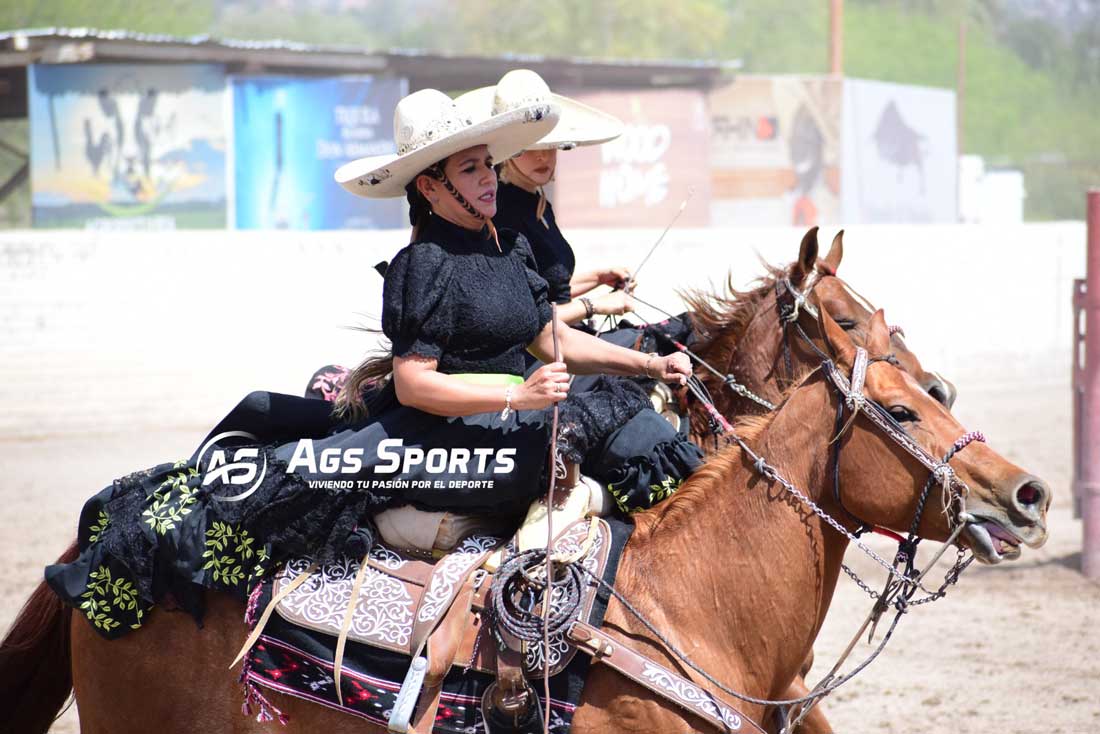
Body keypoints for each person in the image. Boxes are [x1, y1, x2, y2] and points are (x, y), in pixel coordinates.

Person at [45, 84, 702, 640]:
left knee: (627, 416)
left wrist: (646, 366)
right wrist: (518, 399)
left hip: (503, 415)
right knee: (589, 429)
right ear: (431, 185)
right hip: (449, 433)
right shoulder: (426, 266)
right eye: (471, 170)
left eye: (486, 165)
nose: (486, 180)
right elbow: (416, 386)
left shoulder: (509, 250)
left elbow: (548, 340)